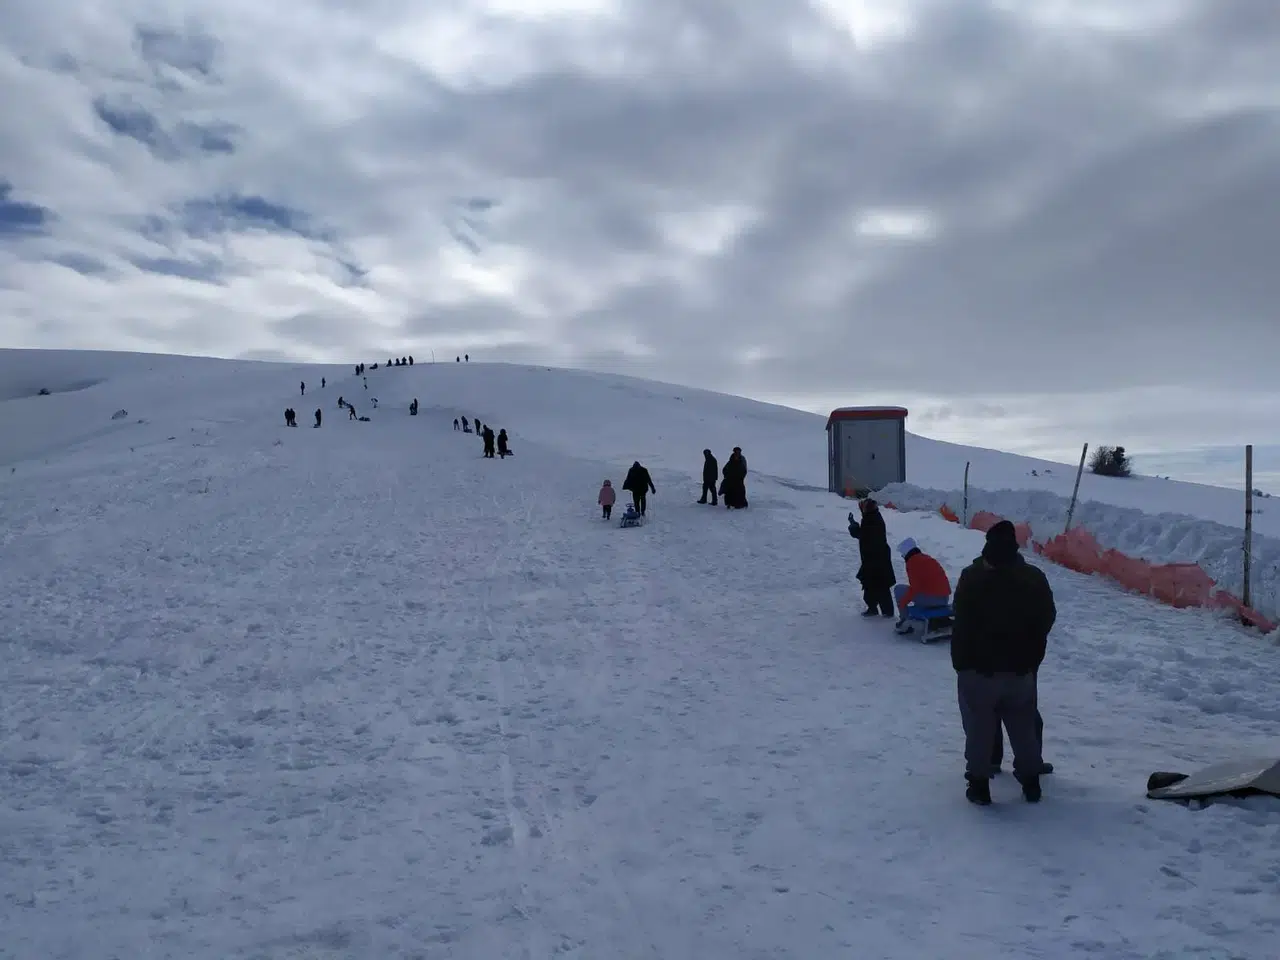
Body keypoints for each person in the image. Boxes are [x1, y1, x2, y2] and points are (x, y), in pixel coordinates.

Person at [951, 520, 1056, 805]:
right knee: (1023, 728)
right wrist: (1032, 654)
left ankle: (979, 785)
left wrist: (961, 661)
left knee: (979, 728)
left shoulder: (972, 577)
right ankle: (1031, 783)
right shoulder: (1033, 577)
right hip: (1020, 670)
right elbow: (1047, 617)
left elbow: (961, 619)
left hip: (978, 670)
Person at [892, 538, 952, 634]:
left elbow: (915, 588)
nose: (902, 556)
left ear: (906, 552)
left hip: (933, 600)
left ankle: (904, 621)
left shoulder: (912, 562)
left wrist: (903, 603)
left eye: (902, 553)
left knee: (899, 589)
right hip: (944, 598)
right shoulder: (926, 558)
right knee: (920, 592)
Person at [847, 499, 896, 617]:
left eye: (863, 507)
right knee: (871, 585)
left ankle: (886, 613)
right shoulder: (872, 517)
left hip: (876, 560)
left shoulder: (872, 520)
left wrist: (853, 525)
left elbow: (862, 534)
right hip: (874, 558)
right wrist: (854, 523)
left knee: (879, 586)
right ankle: (874, 608)